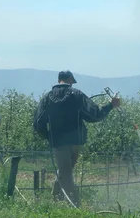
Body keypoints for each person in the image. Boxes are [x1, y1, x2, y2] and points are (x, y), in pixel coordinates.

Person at [33, 70, 121, 207]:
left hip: (58, 142)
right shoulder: (77, 95)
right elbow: (94, 115)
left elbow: (38, 123)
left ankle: (56, 198)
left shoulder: (47, 98)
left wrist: (49, 137)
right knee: (66, 171)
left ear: (58, 80)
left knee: (64, 170)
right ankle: (75, 205)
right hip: (76, 141)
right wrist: (110, 105)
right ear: (69, 79)